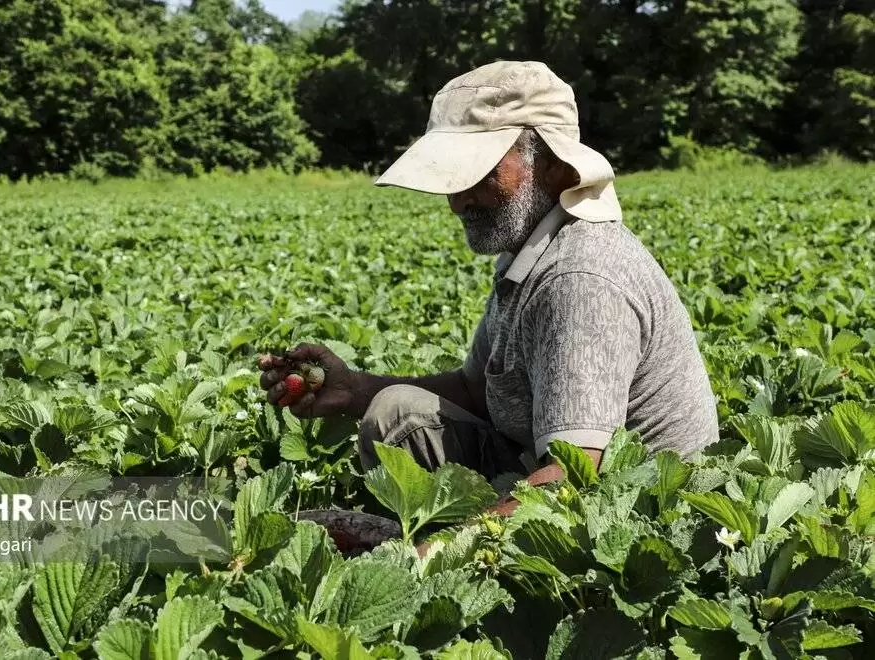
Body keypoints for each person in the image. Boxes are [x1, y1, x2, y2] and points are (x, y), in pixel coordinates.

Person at [258, 60, 718, 518]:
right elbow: (477, 389)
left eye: (480, 173)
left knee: (409, 537)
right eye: (453, 177)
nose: (457, 200)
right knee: (396, 412)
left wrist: (427, 557)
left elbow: (572, 479)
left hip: (637, 512)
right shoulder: (529, 252)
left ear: (555, 167)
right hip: (542, 467)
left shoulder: (579, 279)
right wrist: (353, 389)